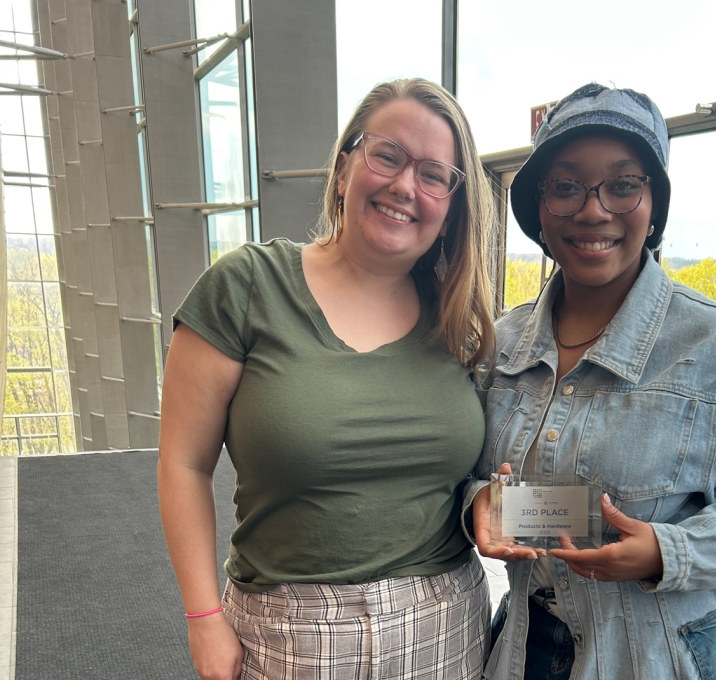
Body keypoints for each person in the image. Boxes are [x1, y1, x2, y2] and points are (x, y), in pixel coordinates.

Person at [469, 83, 716, 680]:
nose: (592, 210)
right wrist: (479, 501)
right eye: (566, 185)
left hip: (668, 656)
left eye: (623, 184)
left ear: (654, 204)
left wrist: (669, 550)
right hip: (528, 643)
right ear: (539, 206)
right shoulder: (499, 346)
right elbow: (466, 474)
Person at [158, 78, 496, 680]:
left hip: (445, 627)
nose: (403, 186)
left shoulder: (459, 323)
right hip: (289, 633)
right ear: (344, 168)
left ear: (451, 209)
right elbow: (183, 464)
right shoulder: (246, 287)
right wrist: (202, 615)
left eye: (433, 174)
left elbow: (470, 481)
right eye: (386, 155)